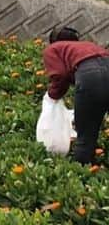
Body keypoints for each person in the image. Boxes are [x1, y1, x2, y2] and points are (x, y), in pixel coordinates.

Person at [43, 26, 109, 164]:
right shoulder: (89, 45)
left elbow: (60, 75)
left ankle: (83, 176)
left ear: (54, 41)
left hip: (91, 77)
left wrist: (52, 96)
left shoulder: (53, 48)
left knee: (85, 136)